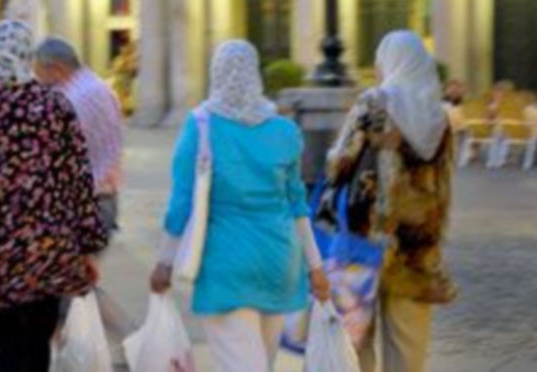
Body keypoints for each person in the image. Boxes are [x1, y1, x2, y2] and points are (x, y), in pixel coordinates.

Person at [149, 40, 330, 372]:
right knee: (262, 363)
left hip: (225, 265)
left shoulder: (200, 125)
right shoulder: (285, 131)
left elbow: (181, 203)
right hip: (278, 263)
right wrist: (316, 267)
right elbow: (297, 205)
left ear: (216, 74)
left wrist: (165, 261)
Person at [0, 20, 107, 372]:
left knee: (3, 351)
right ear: (29, 56)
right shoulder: (56, 104)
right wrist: (87, 247)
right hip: (48, 253)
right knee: (36, 350)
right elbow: (78, 182)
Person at [324, 30, 457, 372]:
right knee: (409, 346)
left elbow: (341, 163)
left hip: (365, 237)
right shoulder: (440, 118)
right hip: (416, 243)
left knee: (356, 340)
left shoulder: (374, 103)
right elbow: (443, 182)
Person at [33, 37, 130, 365]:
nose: (37, 79)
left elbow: (55, 161)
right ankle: (124, 343)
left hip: (84, 205)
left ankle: (129, 341)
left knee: (65, 289)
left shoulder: (70, 99)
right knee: (72, 287)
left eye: (39, 72)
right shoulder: (100, 88)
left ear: (56, 68)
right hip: (104, 201)